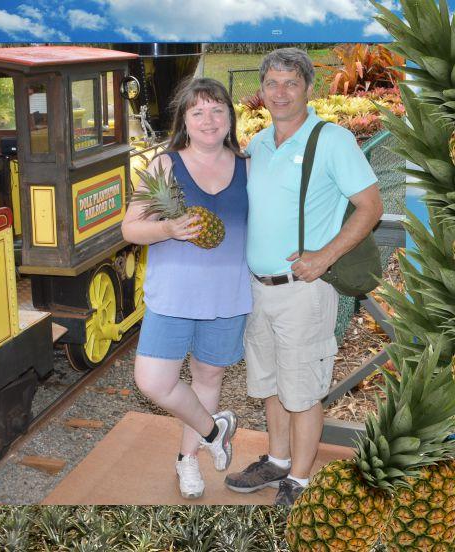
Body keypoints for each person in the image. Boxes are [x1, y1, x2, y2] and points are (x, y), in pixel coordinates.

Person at [223, 48, 383, 505]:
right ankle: (276, 461)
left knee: (303, 391)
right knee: (271, 384)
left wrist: (325, 256)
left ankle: (302, 477)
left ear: (308, 89)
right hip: (260, 290)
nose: (281, 92)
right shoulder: (259, 143)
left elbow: (371, 207)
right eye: (272, 83)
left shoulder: (330, 140)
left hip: (304, 290)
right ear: (262, 90)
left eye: (291, 83)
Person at [121, 77, 251, 500]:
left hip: (227, 294)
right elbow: (131, 228)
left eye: (217, 110)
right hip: (173, 295)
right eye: (198, 111)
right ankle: (216, 431)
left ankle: (188, 460)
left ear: (230, 117)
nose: (208, 119)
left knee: (207, 378)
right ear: (184, 120)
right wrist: (169, 227)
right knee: (154, 381)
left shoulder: (249, 167)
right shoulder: (165, 164)